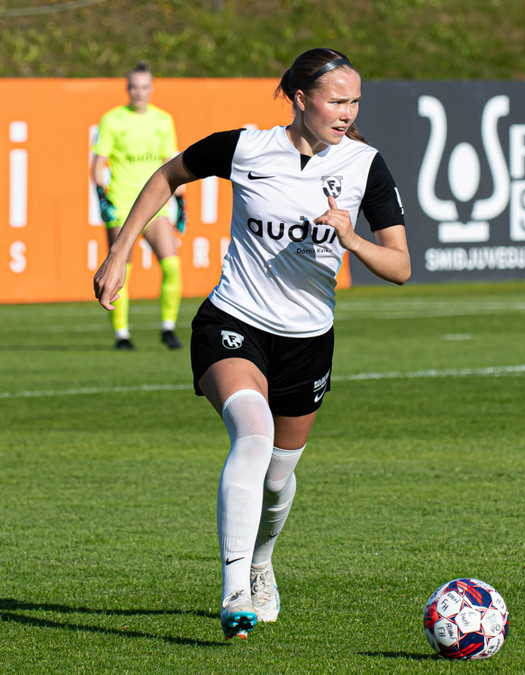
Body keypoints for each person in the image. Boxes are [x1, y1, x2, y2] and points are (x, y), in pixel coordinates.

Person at [93, 48, 410, 640]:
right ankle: (235, 589)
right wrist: (120, 250)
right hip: (234, 320)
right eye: (336, 101)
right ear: (301, 99)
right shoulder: (246, 147)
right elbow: (166, 176)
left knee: (277, 477)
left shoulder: (365, 165)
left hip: (308, 342)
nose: (348, 112)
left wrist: (352, 240)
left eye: (355, 101)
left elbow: (400, 266)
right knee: (254, 434)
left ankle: (262, 564)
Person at [91, 60, 186, 351]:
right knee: (121, 268)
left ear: (151, 88)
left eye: (144, 87)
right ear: (127, 88)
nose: (139, 92)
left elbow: (172, 164)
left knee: (172, 266)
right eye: (134, 87)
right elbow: (98, 165)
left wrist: (180, 201)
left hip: (155, 206)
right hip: (121, 204)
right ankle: (121, 334)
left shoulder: (163, 120)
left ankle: (168, 328)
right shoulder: (112, 120)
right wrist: (103, 199)